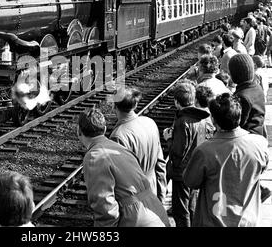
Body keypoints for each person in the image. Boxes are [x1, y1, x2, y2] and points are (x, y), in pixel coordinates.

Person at [183, 93, 269, 226]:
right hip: (247, 221)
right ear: (239, 117)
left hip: (213, 221)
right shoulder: (260, 144)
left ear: (213, 120)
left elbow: (190, 181)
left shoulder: (204, 151)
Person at [79, 108, 169, 227]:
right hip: (155, 212)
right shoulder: (118, 148)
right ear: (104, 129)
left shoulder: (94, 157)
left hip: (135, 219)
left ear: (78, 131)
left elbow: (105, 208)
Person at [164, 81, 214, 227]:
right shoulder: (204, 118)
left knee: (181, 211)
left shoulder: (182, 121)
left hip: (182, 174)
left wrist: (168, 139)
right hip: (197, 169)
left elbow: (178, 152)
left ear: (176, 102)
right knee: (192, 208)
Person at [110, 87, 167, 203]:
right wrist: (161, 196)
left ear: (114, 106)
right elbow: (160, 164)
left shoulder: (118, 136)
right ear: (135, 106)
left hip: (134, 198)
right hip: (153, 190)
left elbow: (119, 178)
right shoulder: (150, 123)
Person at [228, 53, 272, 202]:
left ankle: (259, 192)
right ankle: (259, 190)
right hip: (258, 135)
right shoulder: (256, 88)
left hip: (247, 144)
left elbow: (237, 124)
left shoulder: (243, 97)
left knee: (244, 176)